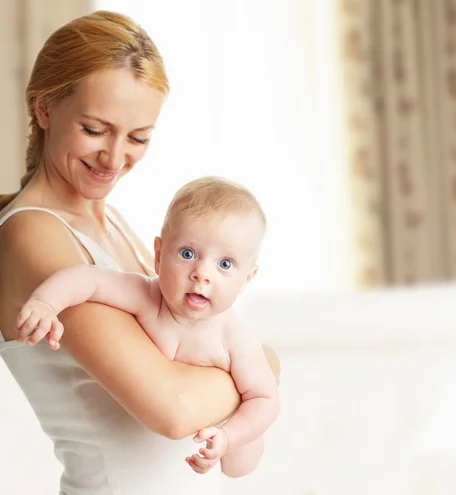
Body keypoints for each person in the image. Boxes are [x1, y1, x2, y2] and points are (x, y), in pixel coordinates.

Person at [0, 10, 279, 494]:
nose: (114, 157)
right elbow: (172, 409)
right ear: (44, 109)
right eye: (94, 129)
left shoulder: (115, 224)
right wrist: (265, 368)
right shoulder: (33, 234)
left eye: (138, 137)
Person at [15, 176, 280, 478]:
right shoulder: (146, 296)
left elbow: (265, 399)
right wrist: (46, 303)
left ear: (247, 278)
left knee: (239, 464)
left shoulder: (233, 335)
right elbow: (88, 279)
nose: (202, 274)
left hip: (212, 439)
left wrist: (230, 436)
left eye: (225, 264)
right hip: (142, 461)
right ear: (159, 254)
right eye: (187, 254)